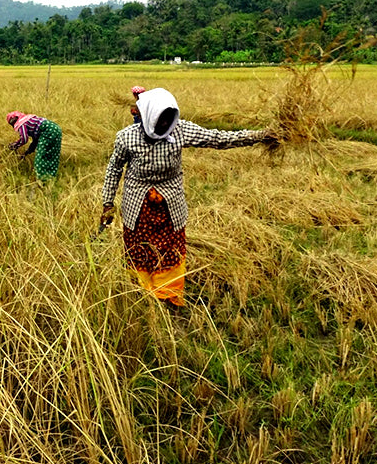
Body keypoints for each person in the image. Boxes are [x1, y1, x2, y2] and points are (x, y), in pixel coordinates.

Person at [99, 88, 276, 308]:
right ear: (147, 116)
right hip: (138, 208)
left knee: (169, 253)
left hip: (170, 209)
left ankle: (168, 296)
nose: (164, 125)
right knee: (140, 251)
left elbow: (218, 138)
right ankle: (142, 297)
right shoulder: (127, 137)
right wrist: (108, 203)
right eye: (159, 120)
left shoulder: (180, 130)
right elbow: (114, 169)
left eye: (167, 120)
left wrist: (260, 136)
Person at [6, 111, 62, 181]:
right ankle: (51, 177)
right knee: (52, 154)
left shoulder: (21, 123)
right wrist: (28, 151)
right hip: (56, 129)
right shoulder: (29, 120)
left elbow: (24, 139)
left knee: (41, 157)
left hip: (48, 131)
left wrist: (15, 145)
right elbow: (35, 141)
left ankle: (41, 179)